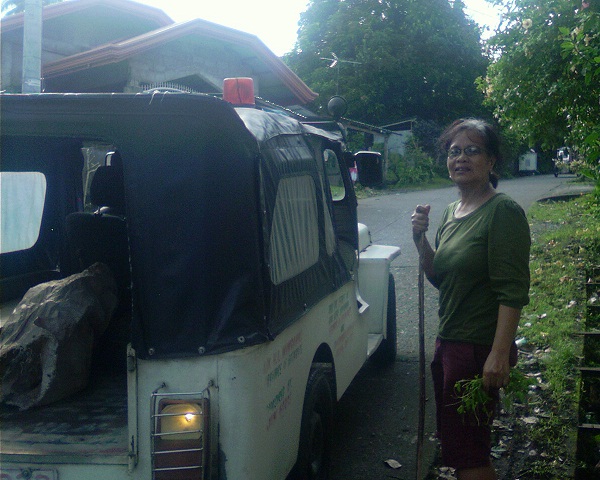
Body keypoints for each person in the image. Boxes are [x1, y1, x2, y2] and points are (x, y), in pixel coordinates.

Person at [411, 118, 531, 480]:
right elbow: (441, 278)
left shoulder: (502, 212)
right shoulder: (452, 212)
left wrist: (499, 354)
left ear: (491, 161)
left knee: (469, 454)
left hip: (477, 349)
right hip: (449, 343)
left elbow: (513, 290)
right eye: (454, 151)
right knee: (459, 446)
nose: (461, 158)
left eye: (472, 150)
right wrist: (420, 241)